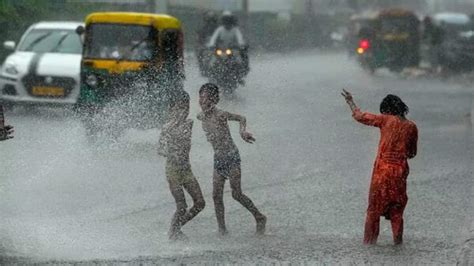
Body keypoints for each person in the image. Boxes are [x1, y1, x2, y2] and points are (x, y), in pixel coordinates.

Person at [341, 89, 418, 245]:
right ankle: (398, 244)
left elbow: (360, 117)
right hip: (400, 173)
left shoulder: (385, 120)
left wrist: (350, 102)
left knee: (373, 211)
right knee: (397, 212)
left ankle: (369, 247)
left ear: (386, 109)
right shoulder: (411, 127)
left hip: (382, 172)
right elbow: (412, 153)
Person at [197, 83, 266, 235]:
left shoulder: (220, 114)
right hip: (218, 159)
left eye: (206, 99)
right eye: (200, 99)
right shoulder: (200, 116)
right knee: (216, 196)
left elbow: (241, 117)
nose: (203, 103)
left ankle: (259, 217)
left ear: (214, 100)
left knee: (236, 194)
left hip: (231, 156)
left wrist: (242, 132)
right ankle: (222, 229)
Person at [158, 91, 205, 240]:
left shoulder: (189, 123)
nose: (184, 112)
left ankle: (175, 229)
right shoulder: (167, 127)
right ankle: (173, 232)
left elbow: (199, 116)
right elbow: (160, 149)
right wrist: (169, 152)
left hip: (186, 170)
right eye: (180, 108)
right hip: (173, 171)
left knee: (200, 203)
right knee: (182, 206)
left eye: (186, 107)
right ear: (171, 109)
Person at [208, 11, 249, 77]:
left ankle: (239, 76)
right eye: (225, 20)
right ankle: (211, 76)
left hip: (232, 50)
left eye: (228, 20)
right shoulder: (220, 29)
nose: (227, 22)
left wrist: (241, 45)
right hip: (220, 50)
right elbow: (213, 38)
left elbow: (240, 39)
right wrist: (211, 45)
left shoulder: (235, 30)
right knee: (212, 62)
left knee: (239, 61)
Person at [197, 11, 219, 76]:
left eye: (212, 20)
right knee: (200, 54)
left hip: (217, 47)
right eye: (209, 20)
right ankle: (203, 68)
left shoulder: (218, 28)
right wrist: (201, 44)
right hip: (206, 47)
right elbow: (199, 39)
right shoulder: (203, 29)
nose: (211, 22)